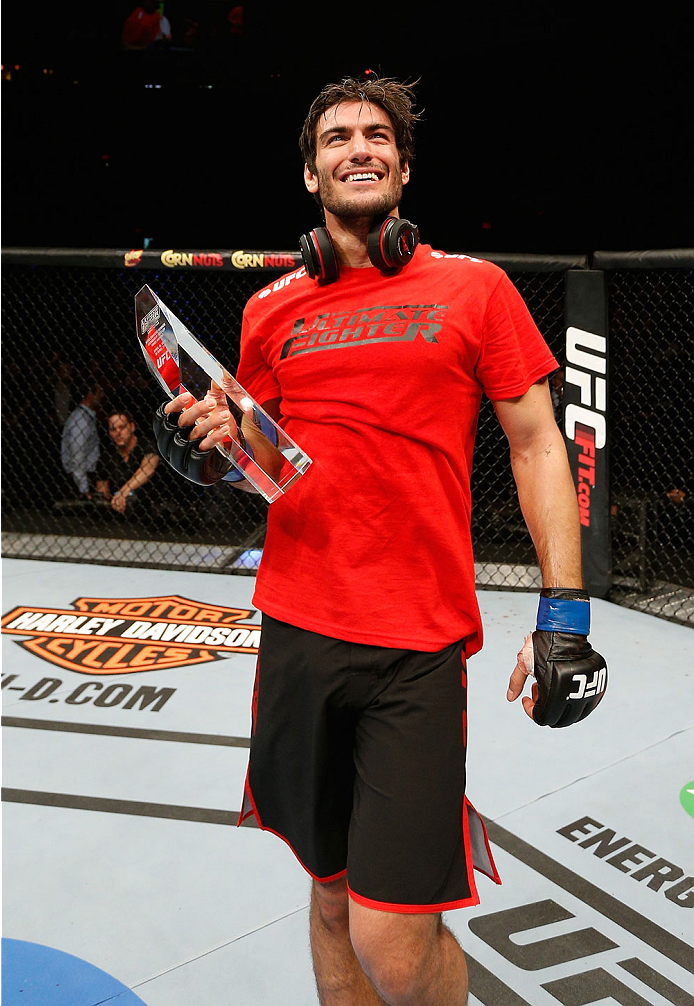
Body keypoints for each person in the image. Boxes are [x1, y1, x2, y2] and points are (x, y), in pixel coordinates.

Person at [151, 75, 607, 1006]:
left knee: (394, 942)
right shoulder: (269, 309)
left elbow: (536, 446)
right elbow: (259, 463)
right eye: (336, 137)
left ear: (403, 165)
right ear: (311, 171)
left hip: (416, 646)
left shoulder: (474, 289)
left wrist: (563, 610)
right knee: (327, 902)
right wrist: (208, 444)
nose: (357, 148)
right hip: (297, 632)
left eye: (376, 136)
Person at [95, 410, 159, 513]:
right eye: (113, 429)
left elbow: (148, 469)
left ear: (132, 427)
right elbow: (102, 490)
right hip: (120, 514)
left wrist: (122, 493)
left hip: (151, 512)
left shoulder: (146, 445)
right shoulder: (107, 455)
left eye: (122, 427)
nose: (118, 433)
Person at [60, 385, 104, 497]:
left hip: (85, 476)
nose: (102, 396)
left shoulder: (86, 417)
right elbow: (77, 456)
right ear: (90, 396)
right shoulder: (81, 420)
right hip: (80, 479)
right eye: (99, 393)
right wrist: (84, 489)